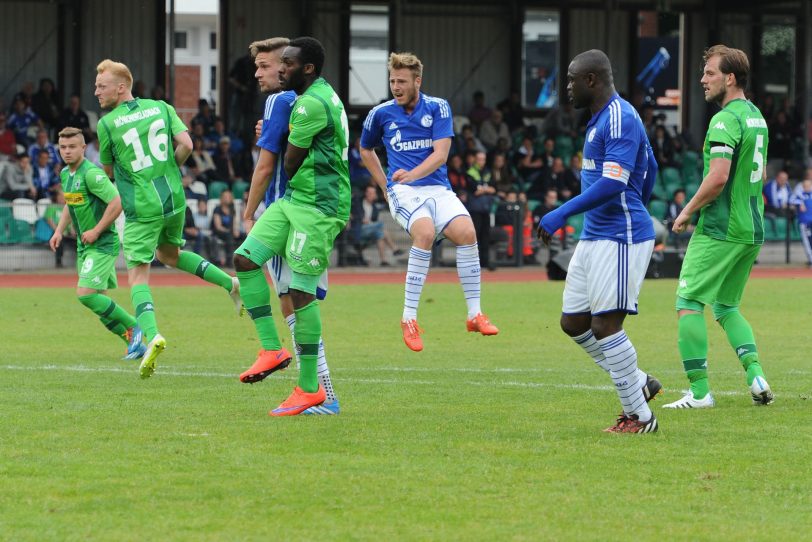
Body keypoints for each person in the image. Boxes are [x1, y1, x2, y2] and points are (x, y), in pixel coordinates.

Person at [536, 49, 662, 434]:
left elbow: (613, 183)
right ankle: (638, 379)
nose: (566, 87)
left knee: (606, 324)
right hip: (595, 234)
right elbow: (651, 165)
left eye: (572, 79)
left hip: (620, 235)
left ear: (592, 80)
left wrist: (562, 212)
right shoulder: (599, 119)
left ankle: (639, 417)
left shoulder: (620, 117)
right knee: (573, 322)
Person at [94, 58, 242, 379]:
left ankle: (152, 336)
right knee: (169, 255)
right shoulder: (161, 106)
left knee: (137, 276)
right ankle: (230, 284)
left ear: (121, 88)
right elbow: (187, 145)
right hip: (175, 199)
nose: (96, 92)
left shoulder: (107, 125)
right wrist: (170, 170)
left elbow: (106, 174)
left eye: (101, 86)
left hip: (142, 207)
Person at [233, 36, 349, 417]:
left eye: (283, 64)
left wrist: (249, 210)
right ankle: (271, 348)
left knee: (299, 296)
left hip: (317, 206)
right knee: (246, 258)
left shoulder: (305, 104)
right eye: (273, 64)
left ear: (308, 68)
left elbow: (289, 161)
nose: (275, 71)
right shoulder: (306, 97)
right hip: (293, 201)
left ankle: (313, 390)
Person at [360, 52, 499, 352]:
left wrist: (412, 173)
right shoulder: (380, 114)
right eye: (392, 81)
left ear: (417, 81)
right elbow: (365, 149)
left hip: (437, 188)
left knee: (468, 233)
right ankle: (409, 318)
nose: (395, 86)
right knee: (423, 233)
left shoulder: (438, 107)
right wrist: (386, 185)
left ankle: (474, 314)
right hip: (403, 192)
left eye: (402, 81)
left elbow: (440, 155)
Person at [664, 44, 774, 409]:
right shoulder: (756, 116)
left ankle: (699, 393)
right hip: (751, 228)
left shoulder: (725, 119)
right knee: (726, 306)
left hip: (720, 228)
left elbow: (718, 177)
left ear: (729, 78)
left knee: (688, 301)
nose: (703, 80)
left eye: (710, 73)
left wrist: (686, 212)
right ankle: (756, 375)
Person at [48, 127, 145, 361]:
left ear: (83, 148)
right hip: (85, 247)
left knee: (86, 294)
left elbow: (117, 201)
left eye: (72, 147)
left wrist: (96, 230)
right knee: (99, 304)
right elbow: (70, 205)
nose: (67, 151)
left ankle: (137, 326)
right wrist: (59, 231)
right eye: (63, 147)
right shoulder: (65, 174)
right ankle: (133, 343)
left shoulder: (91, 174)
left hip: (102, 244)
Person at [350, 184, 402, 266]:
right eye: (370, 193)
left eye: (373, 193)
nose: (372, 195)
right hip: (359, 230)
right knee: (380, 225)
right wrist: (362, 220)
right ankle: (394, 248)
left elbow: (374, 220)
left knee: (380, 235)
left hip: (371, 230)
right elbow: (353, 216)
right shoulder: (358, 203)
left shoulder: (374, 208)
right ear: (366, 193)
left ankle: (383, 261)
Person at [790, 178, 812, 267]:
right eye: (805, 186)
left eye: (809, 186)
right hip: (805, 222)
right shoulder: (800, 195)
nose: (807, 187)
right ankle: (811, 259)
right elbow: (790, 200)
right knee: (807, 241)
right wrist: (800, 203)